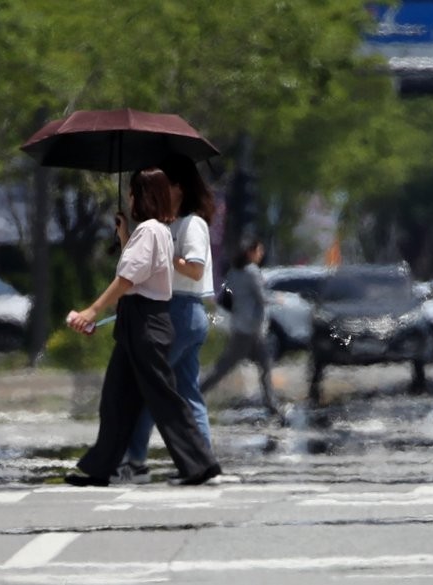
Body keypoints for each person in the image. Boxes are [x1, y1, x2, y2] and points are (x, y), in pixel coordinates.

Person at [64, 167, 221, 487]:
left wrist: (92, 310)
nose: (130, 197)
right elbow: (141, 269)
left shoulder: (150, 231)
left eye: (134, 192)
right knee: (117, 398)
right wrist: (124, 236)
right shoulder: (158, 231)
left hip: (145, 322)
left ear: (144, 196)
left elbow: (127, 279)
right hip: (142, 320)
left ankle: (199, 463)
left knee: (160, 397)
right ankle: (100, 468)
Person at [115, 154, 216, 484]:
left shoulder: (192, 224)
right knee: (186, 392)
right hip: (177, 312)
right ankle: (204, 463)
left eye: (165, 185)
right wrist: (125, 238)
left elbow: (195, 268)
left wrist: (166, 255)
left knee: (149, 387)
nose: (159, 191)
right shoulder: (166, 226)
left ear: (179, 188)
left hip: (181, 311)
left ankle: (136, 462)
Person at [199, 236, 279, 415]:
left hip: (242, 325)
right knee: (225, 366)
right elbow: (261, 297)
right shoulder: (251, 271)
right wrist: (276, 299)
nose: (261, 254)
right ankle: (196, 393)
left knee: (264, 363)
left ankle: (271, 403)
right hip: (249, 328)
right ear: (250, 252)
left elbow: (230, 298)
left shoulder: (234, 272)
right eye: (259, 250)